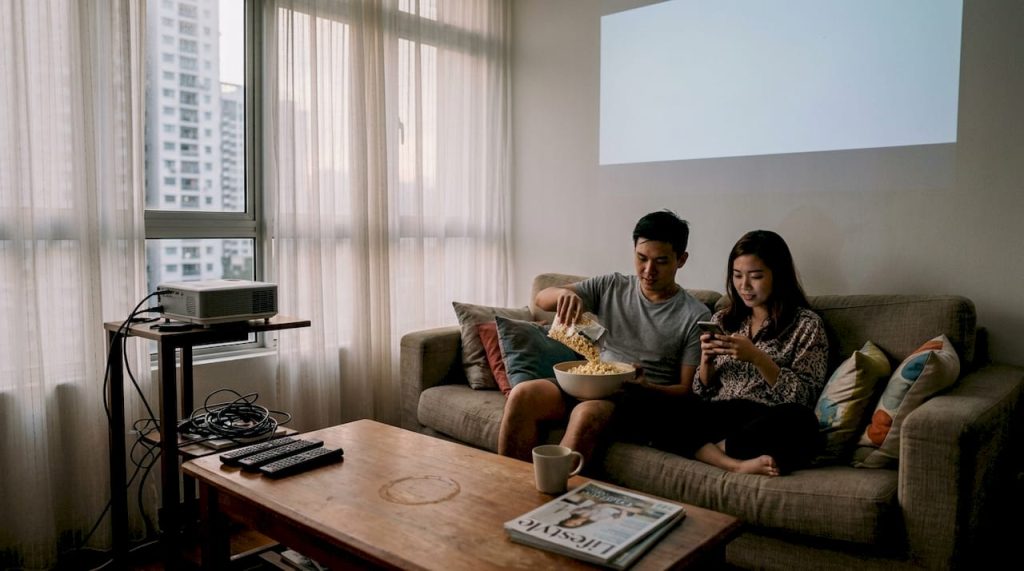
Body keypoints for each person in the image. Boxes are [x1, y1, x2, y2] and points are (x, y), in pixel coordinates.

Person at [497, 210, 711, 463]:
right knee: (523, 394)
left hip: (635, 399)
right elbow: (541, 298)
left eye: (661, 261)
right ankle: (508, 486)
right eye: (641, 258)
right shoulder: (612, 285)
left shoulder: (695, 314)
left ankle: (549, 491)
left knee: (586, 413)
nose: (648, 270)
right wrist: (564, 295)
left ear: (681, 260)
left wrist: (646, 388)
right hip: (588, 382)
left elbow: (687, 390)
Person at [653, 230, 828, 476]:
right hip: (721, 413)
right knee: (658, 410)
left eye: (755, 276)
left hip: (765, 417)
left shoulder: (806, 325)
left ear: (778, 275)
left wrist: (757, 357)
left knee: (802, 422)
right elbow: (700, 391)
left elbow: (804, 397)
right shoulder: (724, 319)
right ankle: (734, 464)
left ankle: (709, 452)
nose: (744, 286)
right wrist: (707, 362)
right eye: (737, 276)